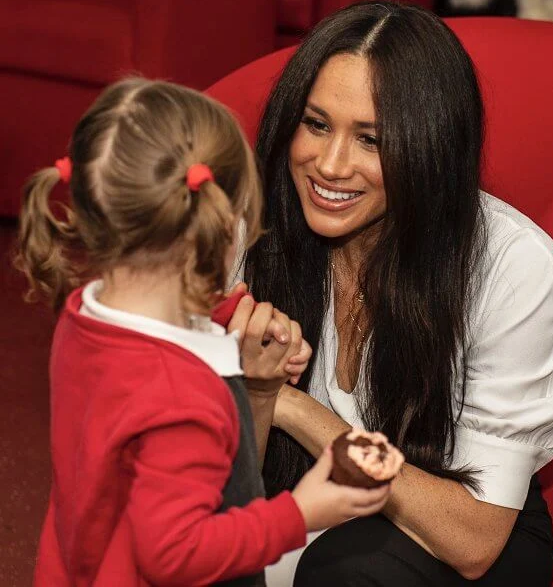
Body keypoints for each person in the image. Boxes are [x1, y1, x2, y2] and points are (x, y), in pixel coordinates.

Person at [230, 1, 553, 586]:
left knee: (348, 569)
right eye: (316, 124)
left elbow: (473, 541)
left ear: (428, 145)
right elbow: (231, 491)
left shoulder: (511, 264)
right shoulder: (255, 228)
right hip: (301, 498)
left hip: (451, 520)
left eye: (371, 139)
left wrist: (294, 406)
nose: (330, 165)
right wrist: (259, 398)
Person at [16, 78, 393, 586]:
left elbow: (157, 325)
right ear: (225, 225)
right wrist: (301, 512)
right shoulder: (183, 396)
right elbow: (174, 555)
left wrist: (231, 310)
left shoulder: (85, 313)